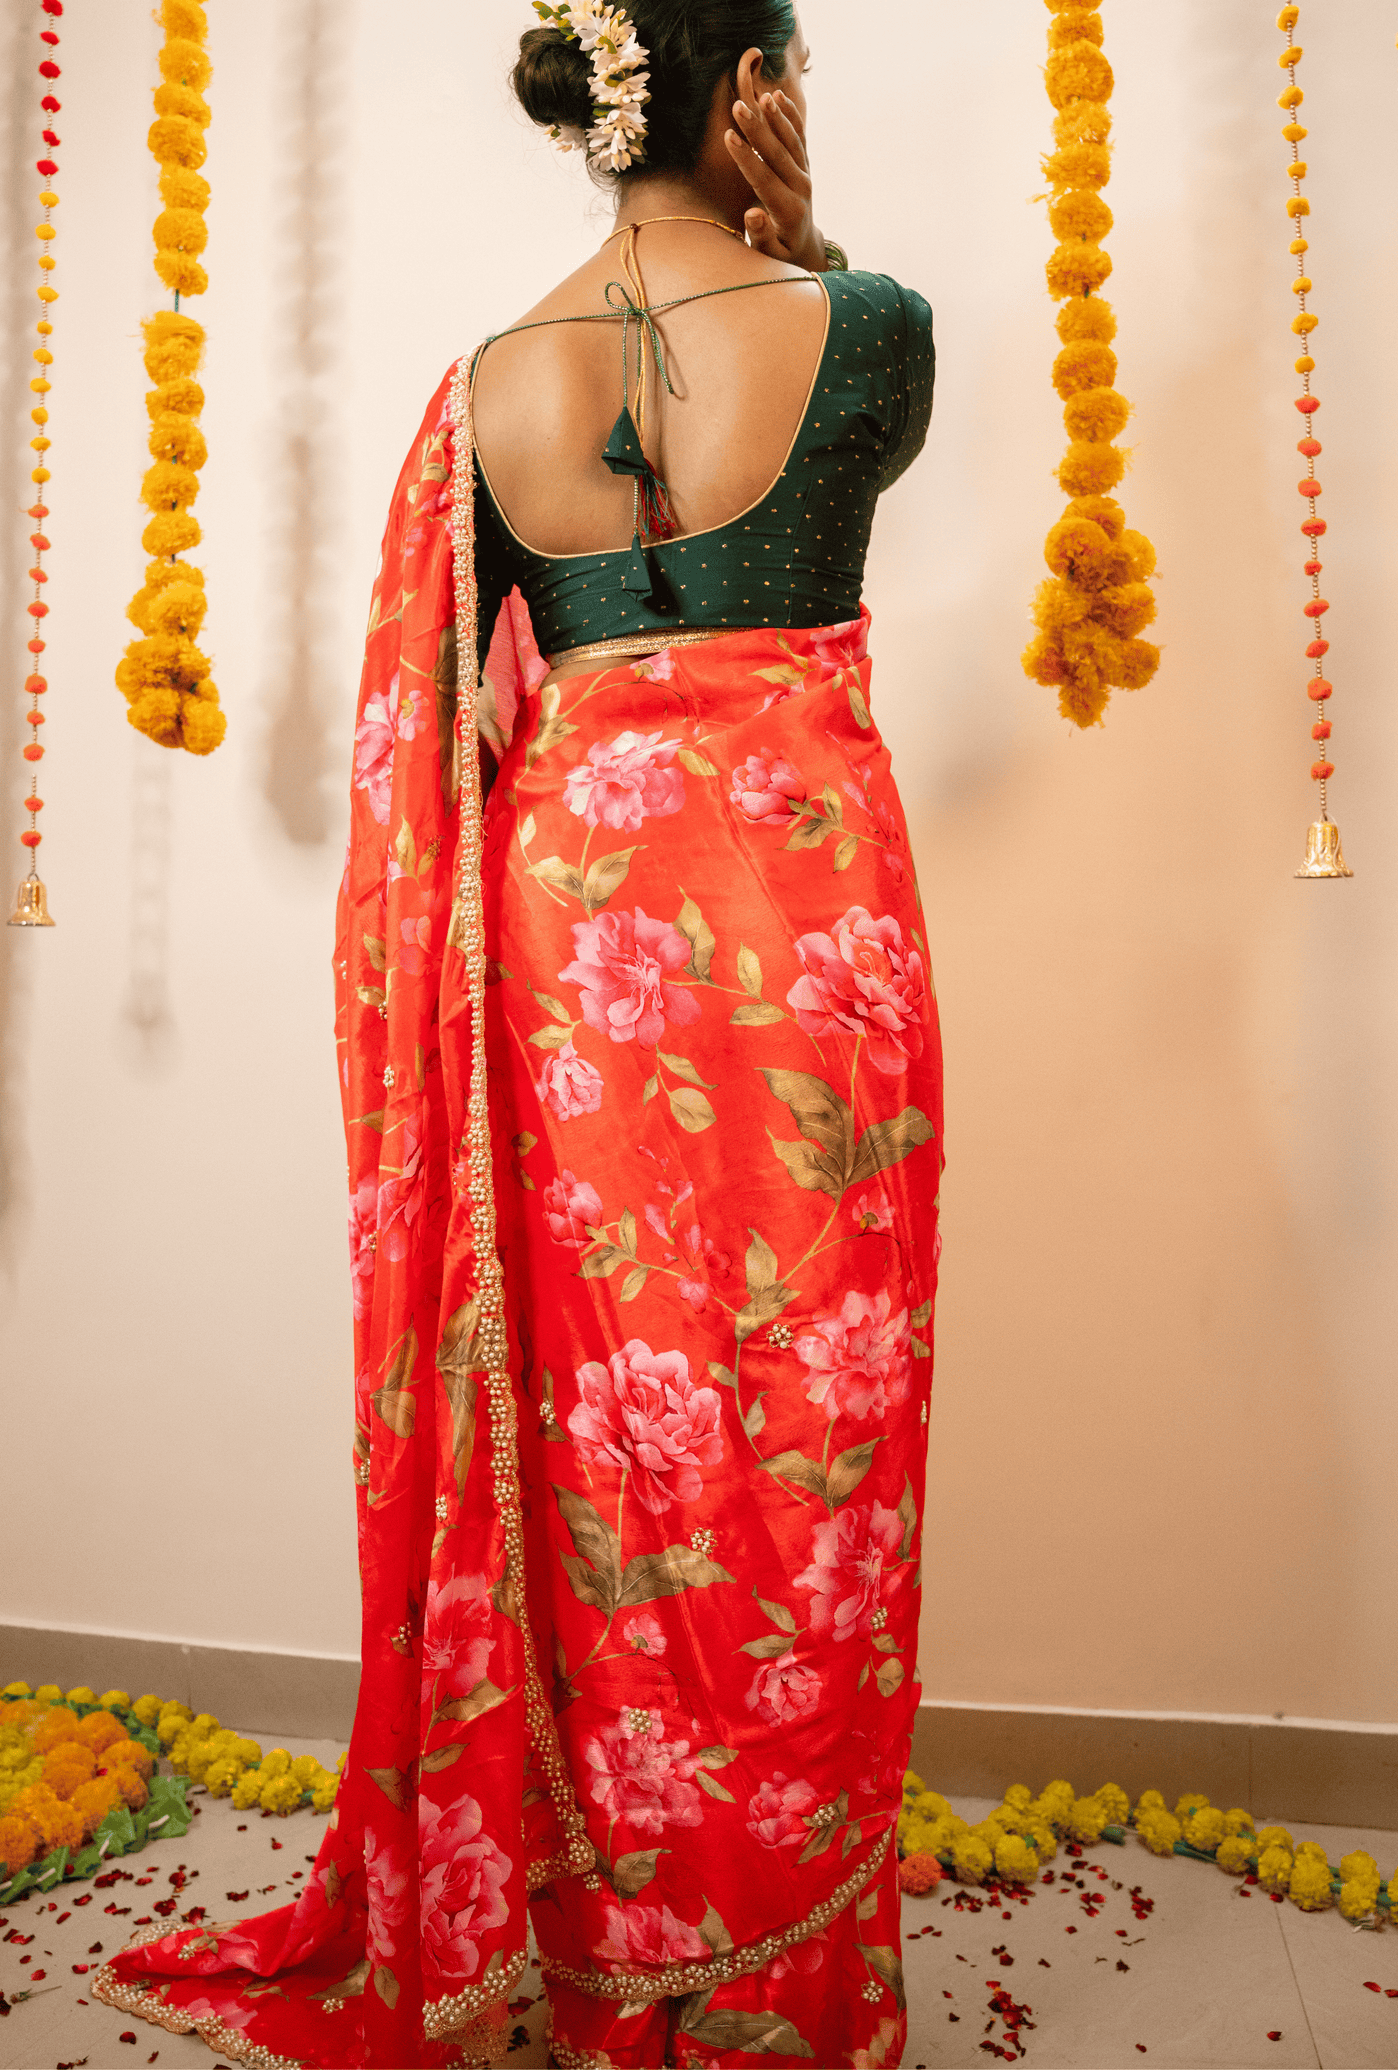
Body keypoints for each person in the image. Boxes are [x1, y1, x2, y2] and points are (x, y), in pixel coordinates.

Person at [94, 5, 942, 2064]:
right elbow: (865, 431)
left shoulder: (487, 383)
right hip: (804, 935)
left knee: (589, 1408)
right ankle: (764, 1939)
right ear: (756, 89)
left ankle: (586, 1925)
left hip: (568, 948)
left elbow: (473, 682)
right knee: (807, 1410)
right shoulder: (873, 328)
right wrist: (808, 236)